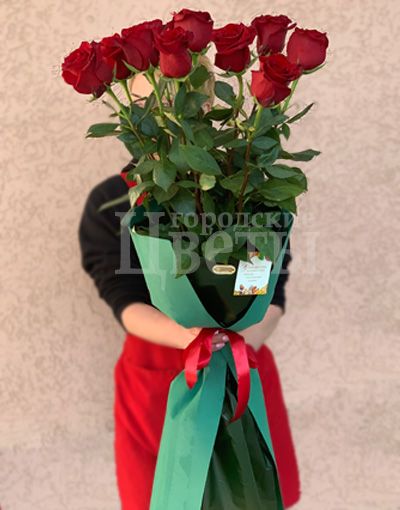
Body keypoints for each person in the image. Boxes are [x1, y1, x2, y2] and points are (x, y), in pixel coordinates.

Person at [78, 60, 301, 510]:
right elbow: (122, 299)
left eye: (183, 98)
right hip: (159, 376)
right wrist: (193, 340)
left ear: (207, 100)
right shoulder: (111, 202)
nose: (168, 112)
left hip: (242, 361)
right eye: (150, 103)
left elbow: (271, 290)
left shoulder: (250, 192)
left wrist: (234, 345)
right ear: (129, 110)